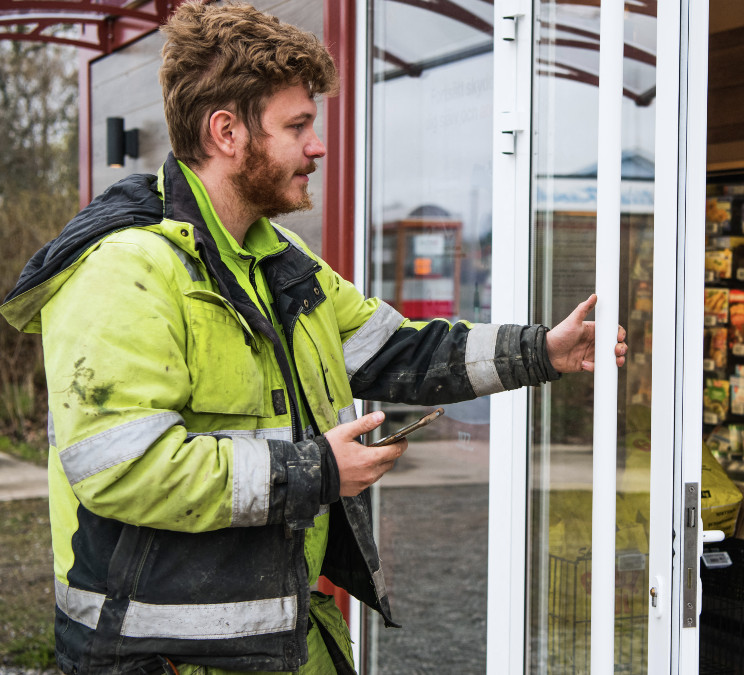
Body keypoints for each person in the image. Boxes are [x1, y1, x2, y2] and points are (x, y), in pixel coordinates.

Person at [0, 3, 627, 673]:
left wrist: (542, 350)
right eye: (298, 125)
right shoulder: (123, 271)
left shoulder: (283, 263)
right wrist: (316, 469)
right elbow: (122, 468)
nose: (318, 145)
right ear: (227, 132)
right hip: (162, 660)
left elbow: (399, 352)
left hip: (284, 641)